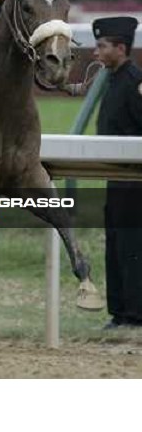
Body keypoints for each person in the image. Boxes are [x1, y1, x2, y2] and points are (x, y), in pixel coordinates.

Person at [92, 16, 142, 329]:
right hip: (116, 179)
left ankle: (135, 314)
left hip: (134, 182)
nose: (95, 52)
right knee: (116, 245)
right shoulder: (113, 79)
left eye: (101, 46)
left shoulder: (134, 83)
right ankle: (120, 312)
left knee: (132, 247)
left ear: (120, 48)